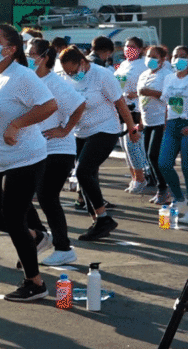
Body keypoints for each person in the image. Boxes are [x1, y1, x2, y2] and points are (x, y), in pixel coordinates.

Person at [0, 24, 57, 301]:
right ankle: (33, 236)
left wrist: (17, 125)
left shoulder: (21, 75)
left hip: (25, 157)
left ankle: (35, 283)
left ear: (11, 49)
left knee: (12, 216)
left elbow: (48, 106)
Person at [59, 45, 140, 240]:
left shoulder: (101, 75)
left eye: (73, 70)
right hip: (81, 131)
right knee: (87, 176)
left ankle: (103, 218)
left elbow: (120, 103)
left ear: (82, 62)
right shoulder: (65, 78)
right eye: (67, 72)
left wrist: (131, 128)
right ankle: (98, 220)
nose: (71, 74)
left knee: (83, 171)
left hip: (105, 129)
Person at [27, 38, 86, 266]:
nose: (28, 56)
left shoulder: (55, 83)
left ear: (45, 58)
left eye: (32, 53)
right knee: (25, 193)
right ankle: (44, 236)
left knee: (47, 196)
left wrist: (65, 130)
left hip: (59, 149)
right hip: (38, 148)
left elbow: (79, 105)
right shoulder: (30, 80)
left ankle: (63, 247)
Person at [158, 45, 188, 224]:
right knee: (164, 163)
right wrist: (165, 123)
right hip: (171, 124)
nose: (178, 59)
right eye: (176, 56)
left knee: (187, 167)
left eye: (183, 56)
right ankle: (179, 198)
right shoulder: (169, 77)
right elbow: (166, 103)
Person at [137, 45, 172, 204]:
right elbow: (140, 99)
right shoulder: (144, 74)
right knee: (149, 156)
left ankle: (164, 190)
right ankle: (162, 189)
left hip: (161, 120)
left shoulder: (167, 74)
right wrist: (140, 122)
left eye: (154, 56)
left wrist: (153, 93)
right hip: (147, 120)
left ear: (163, 59)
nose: (150, 59)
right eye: (148, 56)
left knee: (154, 155)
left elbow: (172, 98)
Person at [115, 37, 149, 193]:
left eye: (133, 46)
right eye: (127, 46)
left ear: (140, 49)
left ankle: (141, 178)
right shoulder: (123, 64)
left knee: (132, 144)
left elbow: (148, 86)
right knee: (125, 146)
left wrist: (135, 93)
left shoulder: (143, 65)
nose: (128, 49)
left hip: (136, 110)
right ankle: (134, 177)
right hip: (122, 109)